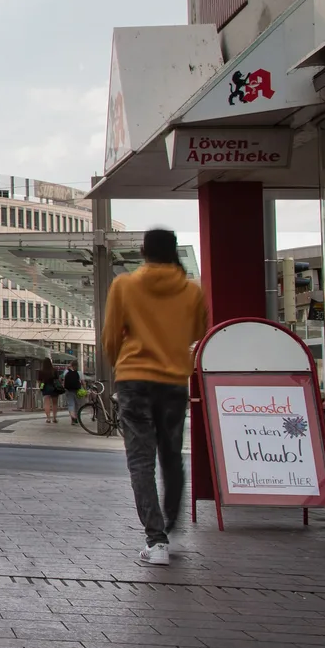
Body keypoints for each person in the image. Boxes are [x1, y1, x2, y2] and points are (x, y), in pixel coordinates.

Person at [101, 228, 208, 567]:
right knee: (171, 456)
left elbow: (110, 336)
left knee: (140, 461)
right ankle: (171, 522)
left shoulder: (125, 285)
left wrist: (121, 363)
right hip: (174, 381)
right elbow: (198, 332)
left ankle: (156, 539)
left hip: (135, 380)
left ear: (143, 252)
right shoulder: (192, 291)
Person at [38, 357, 61, 424]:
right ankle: (54, 418)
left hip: (45, 387)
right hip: (54, 388)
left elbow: (39, 381)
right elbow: (58, 380)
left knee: (47, 403)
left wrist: (40, 387)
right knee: (55, 403)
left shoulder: (41, 371)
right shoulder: (54, 370)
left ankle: (48, 418)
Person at [62, 360, 83, 426]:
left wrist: (66, 368)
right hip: (77, 390)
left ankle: (73, 418)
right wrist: (85, 390)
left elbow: (63, 380)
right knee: (77, 405)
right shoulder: (79, 373)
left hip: (68, 390)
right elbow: (83, 382)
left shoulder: (66, 372)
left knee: (71, 404)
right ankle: (76, 417)